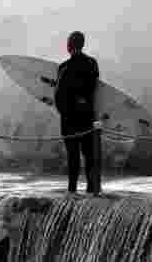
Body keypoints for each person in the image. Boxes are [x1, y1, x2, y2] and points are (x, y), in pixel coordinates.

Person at [54, 31, 99, 193]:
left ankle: (72, 190)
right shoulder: (93, 64)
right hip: (88, 117)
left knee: (73, 157)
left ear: (69, 46)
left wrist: (64, 113)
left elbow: (58, 95)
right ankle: (91, 190)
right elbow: (93, 88)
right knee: (89, 155)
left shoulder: (64, 68)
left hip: (70, 120)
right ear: (82, 44)